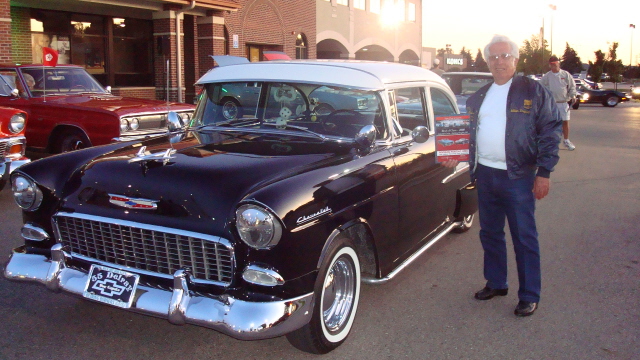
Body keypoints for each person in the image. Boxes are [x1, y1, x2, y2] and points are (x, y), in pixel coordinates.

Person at [443, 34, 562, 317]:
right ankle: (496, 283)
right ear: (487, 61)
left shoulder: (533, 92)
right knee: (490, 233)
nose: (499, 62)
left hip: (518, 177)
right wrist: (455, 153)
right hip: (485, 174)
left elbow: (550, 131)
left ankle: (530, 294)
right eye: (493, 57)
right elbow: (469, 136)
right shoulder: (478, 97)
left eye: (505, 56)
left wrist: (544, 172)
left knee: (524, 237)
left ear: (516, 59)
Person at [540, 55, 577, 150]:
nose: (553, 66)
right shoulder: (547, 76)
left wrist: (573, 96)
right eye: (551, 64)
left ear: (558, 63)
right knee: (551, 123)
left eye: (555, 64)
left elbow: (572, 86)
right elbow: (540, 87)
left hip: (564, 102)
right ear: (549, 65)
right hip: (551, 103)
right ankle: (551, 142)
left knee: (565, 121)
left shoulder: (565, 74)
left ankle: (566, 141)